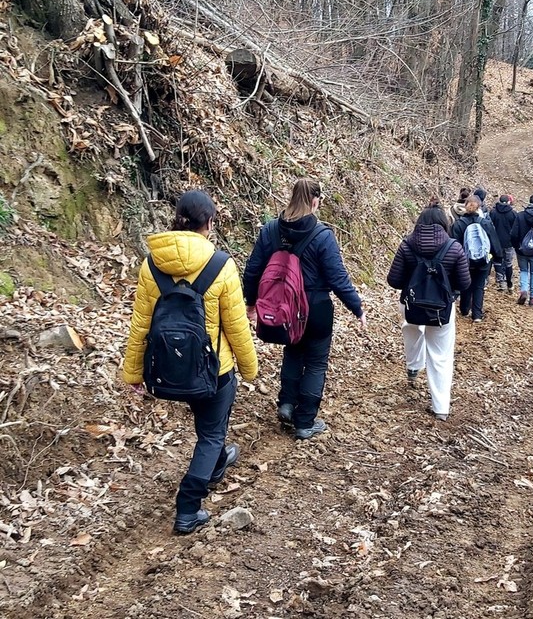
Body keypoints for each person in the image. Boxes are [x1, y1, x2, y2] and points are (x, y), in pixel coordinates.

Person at [124, 189, 258, 535]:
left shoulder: (151, 264)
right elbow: (236, 325)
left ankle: (214, 465)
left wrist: (134, 371)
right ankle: (188, 507)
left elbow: (141, 323)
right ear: (209, 224)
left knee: (209, 432)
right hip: (215, 371)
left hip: (170, 370)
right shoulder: (221, 265)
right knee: (211, 435)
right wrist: (249, 367)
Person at [243, 177, 366, 440]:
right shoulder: (323, 236)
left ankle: (286, 405)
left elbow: (252, 270)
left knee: (293, 352)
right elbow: (338, 278)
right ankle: (305, 422)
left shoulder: (271, 230)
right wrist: (357, 308)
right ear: (314, 201)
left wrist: (251, 304)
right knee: (315, 363)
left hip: (284, 308)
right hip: (317, 309)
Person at [387, 198, 470, 420]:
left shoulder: (406, 245)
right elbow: (464, 283)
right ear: (445, 224)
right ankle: (440, 407)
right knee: (441, 355)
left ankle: (413, 366)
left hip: (411, 305)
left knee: (411, 329)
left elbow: (393, 281)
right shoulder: (454, 247)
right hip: (441, 308)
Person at [450, 194, 502, 321]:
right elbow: (494, 241)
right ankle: (477, 315)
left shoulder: (458, 224)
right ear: (479, 207)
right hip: (483, 261)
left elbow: (454, 244)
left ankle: (464, 310)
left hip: (464, 261)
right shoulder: (485, 223)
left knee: (466, 284)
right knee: (479, 286)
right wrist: (498, 257)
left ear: (465, 207)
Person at [490, 194, 517, 294]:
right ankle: (509, 284)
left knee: (497, 261)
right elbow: (515, 229)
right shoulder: (513, 214)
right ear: (509, 202)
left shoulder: (493, 212)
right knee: (508, 263)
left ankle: (501, 282)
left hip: (496, 241)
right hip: (509, 243)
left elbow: (490, 226)